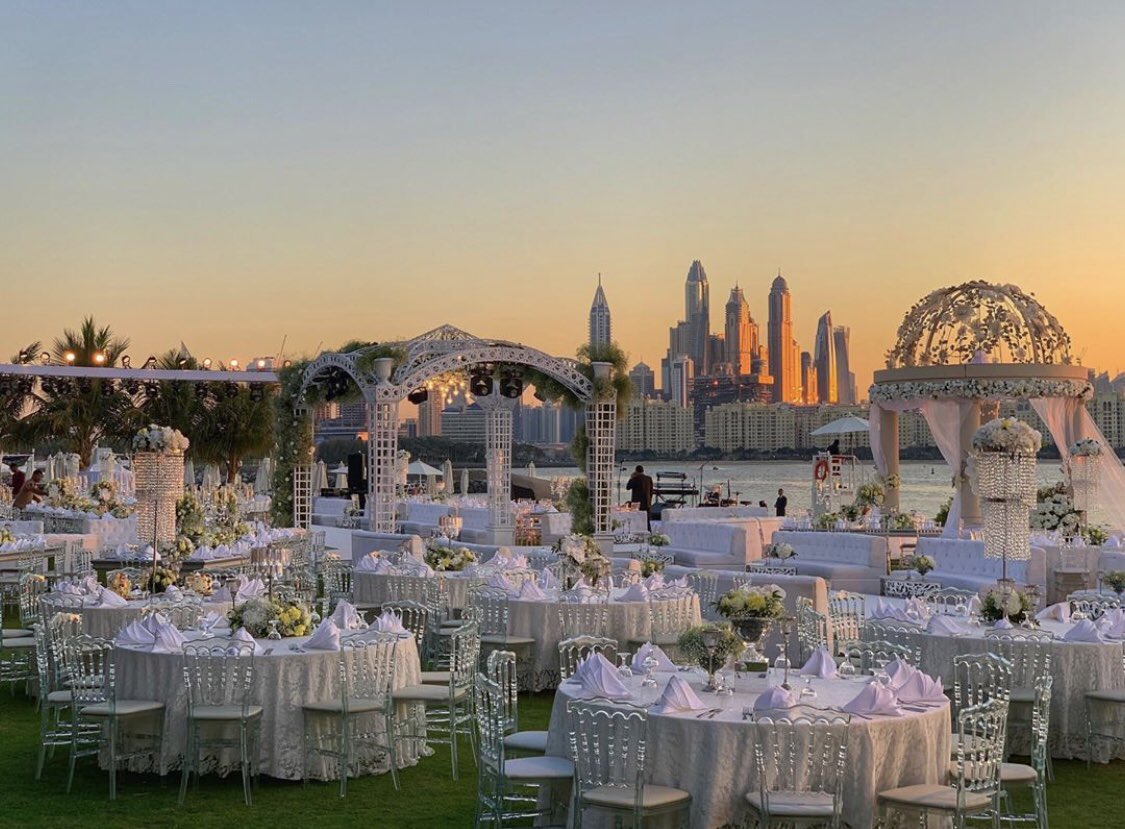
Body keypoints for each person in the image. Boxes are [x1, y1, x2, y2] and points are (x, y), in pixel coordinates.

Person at [625, 464, 655, 529]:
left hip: (636, 504)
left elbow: (628, 487)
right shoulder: (649, 479)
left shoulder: (635, 479)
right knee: (647, 522)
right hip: (647, 503)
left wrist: (631, 478)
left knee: (636, 520)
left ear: (636, 471)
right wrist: (649, 501)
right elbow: (651, 491)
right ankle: (649, 534)